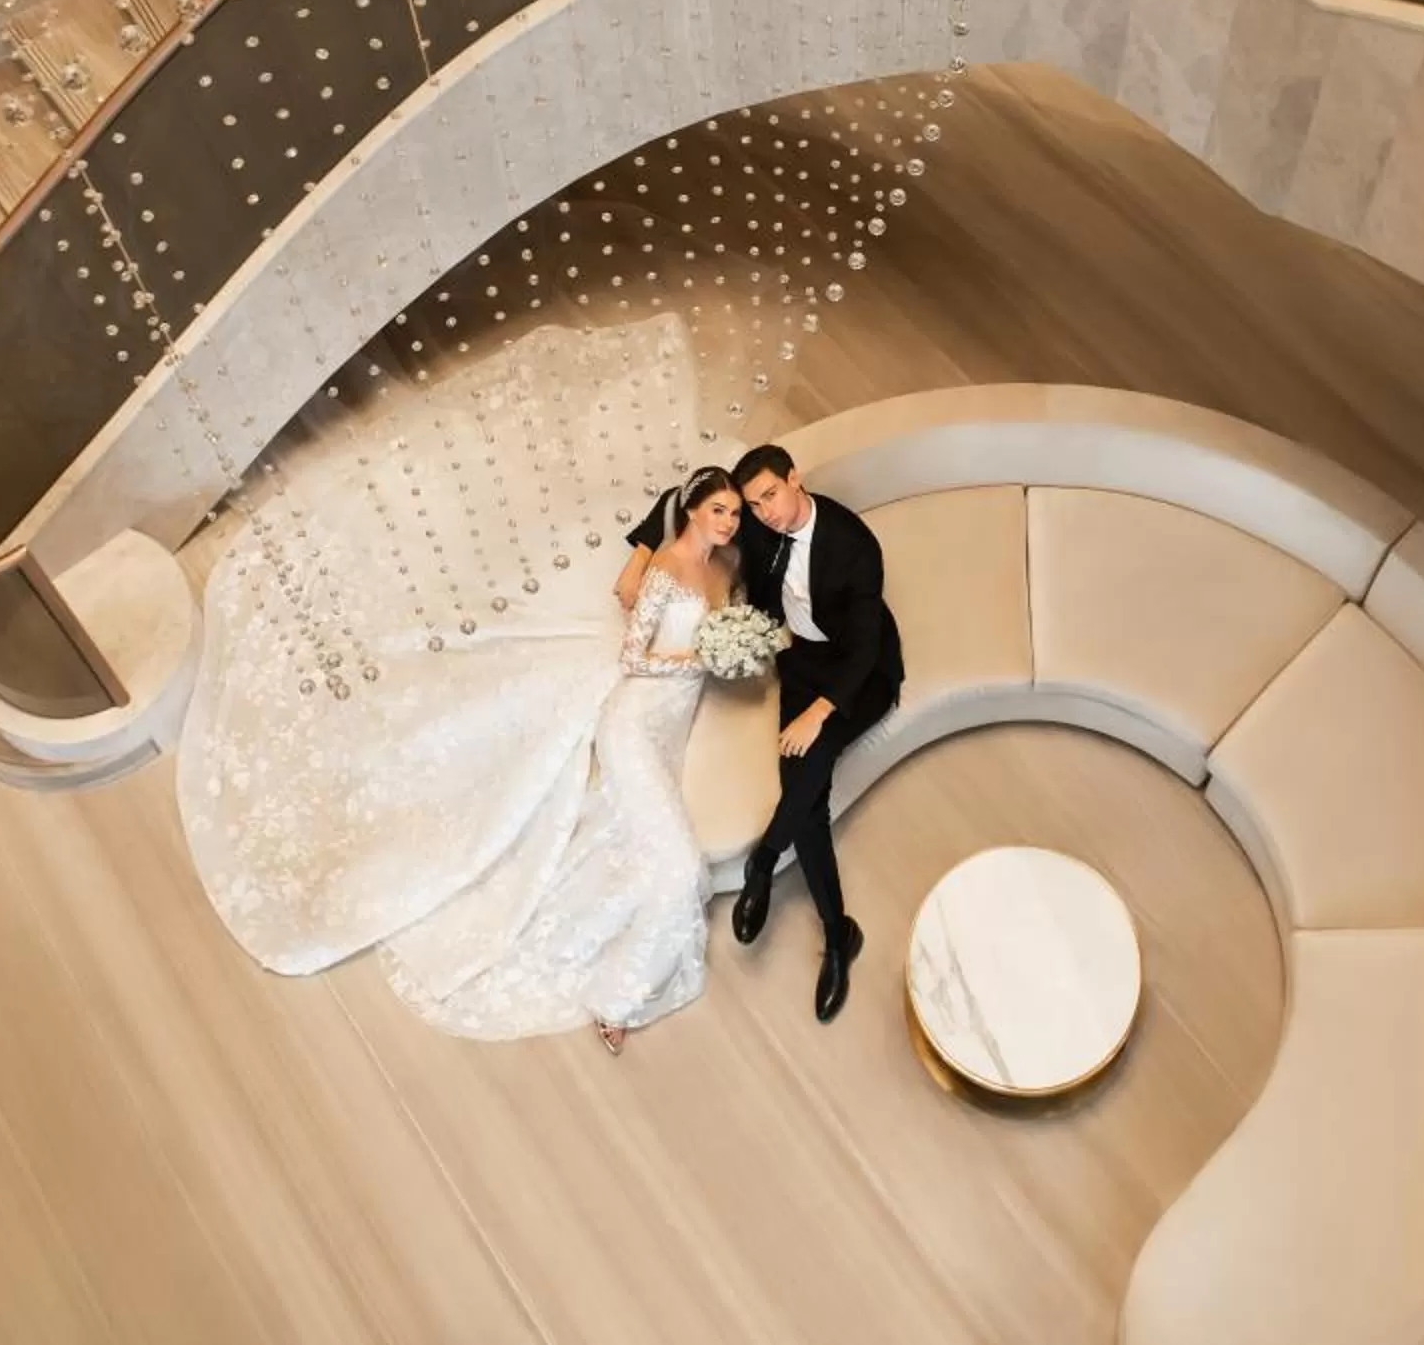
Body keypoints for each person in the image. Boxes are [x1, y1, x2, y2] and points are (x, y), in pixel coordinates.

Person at [181, 437, 740, 1054]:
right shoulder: (663, 568)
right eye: (720, 510)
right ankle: (620, 996)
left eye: (735, 513)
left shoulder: (725, 566)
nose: (729, 522)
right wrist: (703, 655)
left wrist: (736, 646)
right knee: (679, 866)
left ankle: (605, 959)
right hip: (636, 721)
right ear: (691, 510)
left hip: (670, 725)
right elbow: (633, 655)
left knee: (627, 843)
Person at [622, 444, 902, 1020]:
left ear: (795, 479)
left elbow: (868, 646)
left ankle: (764, 863)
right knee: (808, 791)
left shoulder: (853, 546)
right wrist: (641, 559)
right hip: (799, 664)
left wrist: (820, 710)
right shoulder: (752, 524)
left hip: (857, 674)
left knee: (812, 765)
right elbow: (685, 501)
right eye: (754, 504)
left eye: (772, 495)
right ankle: (838, 931)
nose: (765, 512)